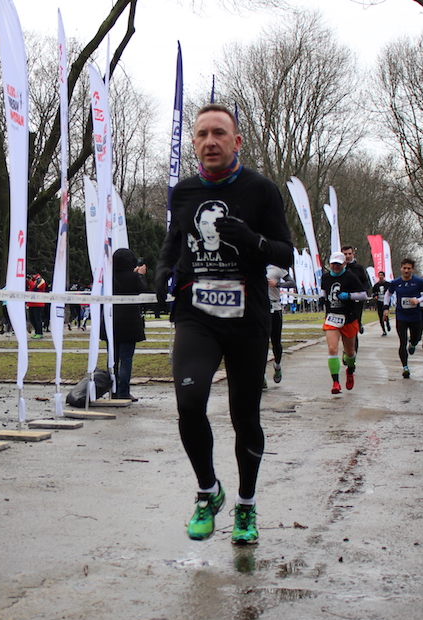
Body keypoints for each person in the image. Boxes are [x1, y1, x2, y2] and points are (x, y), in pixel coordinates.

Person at [155, 104, 293, 545]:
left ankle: (246, 505)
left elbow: (286, 252)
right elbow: (175, 239)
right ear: (194, 142)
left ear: (236, 141)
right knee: (189, 402)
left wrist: (252, 241)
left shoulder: (261, 190)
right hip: (196, 315)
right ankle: (207, 491)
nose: (210, 141)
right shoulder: (183, 192)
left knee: (244, 417)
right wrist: (162, 269)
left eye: (219, 133)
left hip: (247, 319)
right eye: (202, 134)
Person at [319, 252, 368, 395]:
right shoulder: (325, 277)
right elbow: (323, 290)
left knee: (350, 352)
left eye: (338, 264)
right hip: (332, 317)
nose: (335, 267)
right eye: (333, 264)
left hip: (348, 318)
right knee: (332, 349)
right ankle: (335, 382)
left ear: (344, 264)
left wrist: (349, 296)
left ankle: (350, 371)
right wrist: (322, 298)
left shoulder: (350, 277)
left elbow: (363, 295)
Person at [384, 259, 423, 379]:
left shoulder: (418, 282)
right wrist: (386, 308)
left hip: (415, 316)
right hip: (401, 316)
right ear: (401, 268)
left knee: (417, 337)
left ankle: (413, 344)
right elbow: (388, 294)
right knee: (402, 341)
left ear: (412, 269)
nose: (406, 270)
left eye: (409, 268)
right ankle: (405, 367)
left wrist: (418, 300)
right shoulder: (396, 282)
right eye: (404, 268)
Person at [112, 248, 147, 400]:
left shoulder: (109, 277)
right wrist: (140, 275)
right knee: (126, 359)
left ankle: (113, 390)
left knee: (112, 359)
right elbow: (143, 289)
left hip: (111, 321)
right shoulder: (134, 277)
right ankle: (123, 391)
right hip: (129, 323)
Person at [266, 265, 296, 384]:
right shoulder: (255, 267)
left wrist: (277, 284)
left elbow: (292, 283)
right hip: (260, 308)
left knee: (276, 341)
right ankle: (261, 375)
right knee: (261, 342)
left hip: (275, 308)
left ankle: (277, 365)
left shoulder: (276, 268)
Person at [341, 245, 369, 336]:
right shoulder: (339, 267)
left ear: (353, 254)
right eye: (345, 254)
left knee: (355, 320)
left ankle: (358, 325)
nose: (347, 256)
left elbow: (365, 281)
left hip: (357, 298)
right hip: (344, 299)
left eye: (349, 254)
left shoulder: (358, 268)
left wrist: (364, 292)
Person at [26, 273, 46, 339]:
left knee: (37, 318)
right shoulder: (32, 281)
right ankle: (36, 331)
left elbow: (34, 288)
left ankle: (40, 333)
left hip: (38, 303)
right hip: (31, 303)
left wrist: (30, 281)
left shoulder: (40, 280)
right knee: (32, 318)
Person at [371, 271, 391, 336]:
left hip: (386, 302)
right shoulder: (376, 285)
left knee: (385, 314)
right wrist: (375, 296)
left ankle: (387, 323)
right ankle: (384, 330)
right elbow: (373, 293)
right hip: (379, 301)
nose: (380, 277)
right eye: (379, 275)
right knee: (380, 315)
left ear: (384, 276)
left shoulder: (388, 284)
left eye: (381, 275)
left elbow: (391, 292)